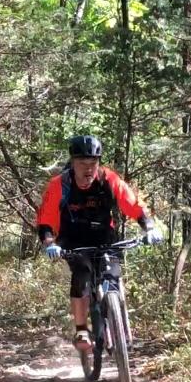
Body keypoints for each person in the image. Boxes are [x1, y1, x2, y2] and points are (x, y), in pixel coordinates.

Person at [35, 135, 164, 353]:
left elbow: (133, 204)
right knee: (82, 273)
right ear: (73, 163)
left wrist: (149, 227)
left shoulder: (108, 179)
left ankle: (116, 319)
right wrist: (49, 243)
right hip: (72, 239)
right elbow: (45, 219)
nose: (88, 169)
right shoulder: (60, 185)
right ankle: (82, 329)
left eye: (93, 163)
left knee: (112, 274)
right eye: (82, 164)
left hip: (103, 236)